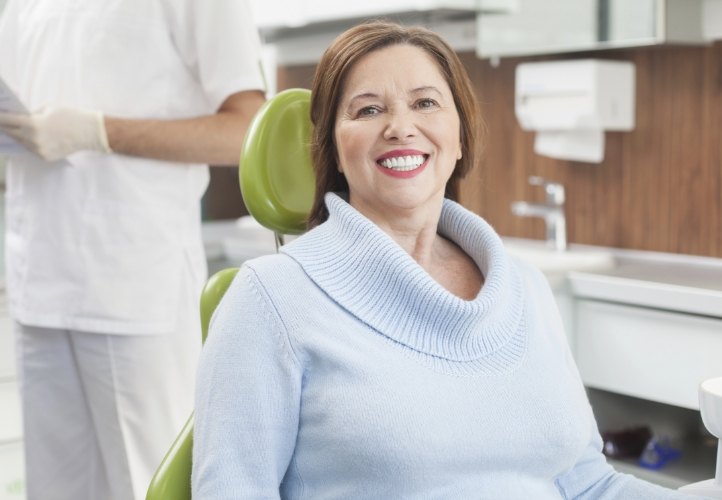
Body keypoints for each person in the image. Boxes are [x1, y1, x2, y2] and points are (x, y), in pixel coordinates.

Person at [191, 20, 710, 499]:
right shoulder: (270, 300)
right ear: (332, 147)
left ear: (460, 136)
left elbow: (587, 484)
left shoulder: (524, 289)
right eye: (368, 109)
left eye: (425, 103)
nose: (400, 126)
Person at [0, 1, 266, 499]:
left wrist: (100, 133)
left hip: (134, 288)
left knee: (151, 484)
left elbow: (244, 129)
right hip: (37, 278)